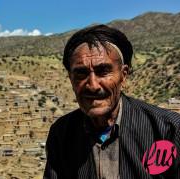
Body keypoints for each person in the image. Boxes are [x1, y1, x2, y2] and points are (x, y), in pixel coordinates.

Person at [44, 24, 180, 179]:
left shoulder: (167, 131)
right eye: (81, 74)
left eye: (103, 71)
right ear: (71, 79)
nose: (93, 85)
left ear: (124, 75)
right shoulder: (61, 134)